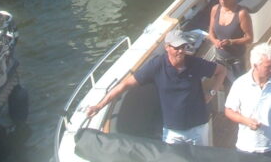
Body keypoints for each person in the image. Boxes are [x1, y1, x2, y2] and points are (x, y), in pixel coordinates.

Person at [85, 29, 226, 146]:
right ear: (167, 47)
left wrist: (212, 92)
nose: (180, 51)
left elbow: (221, 71)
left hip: (198, 127)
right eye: (176, 47)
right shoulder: (156, 66)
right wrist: (98, 106)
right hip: (172, 131)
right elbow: (125, 85)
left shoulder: (195, 63)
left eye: (183, 47)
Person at [224, 44, 271, 157]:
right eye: (268, 67)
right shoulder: (240, 84)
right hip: (247, 148)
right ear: (255, 65)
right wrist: (246, 121)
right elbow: (229, 110)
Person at [208, 0, 254, 75]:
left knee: (238, 85)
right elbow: (211, 32)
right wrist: (215, 42)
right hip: (219, 58)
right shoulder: (215, 9)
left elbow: (249, 38)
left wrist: (231, 42)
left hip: (236, 59)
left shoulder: (242, 14)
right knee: (224, 84)